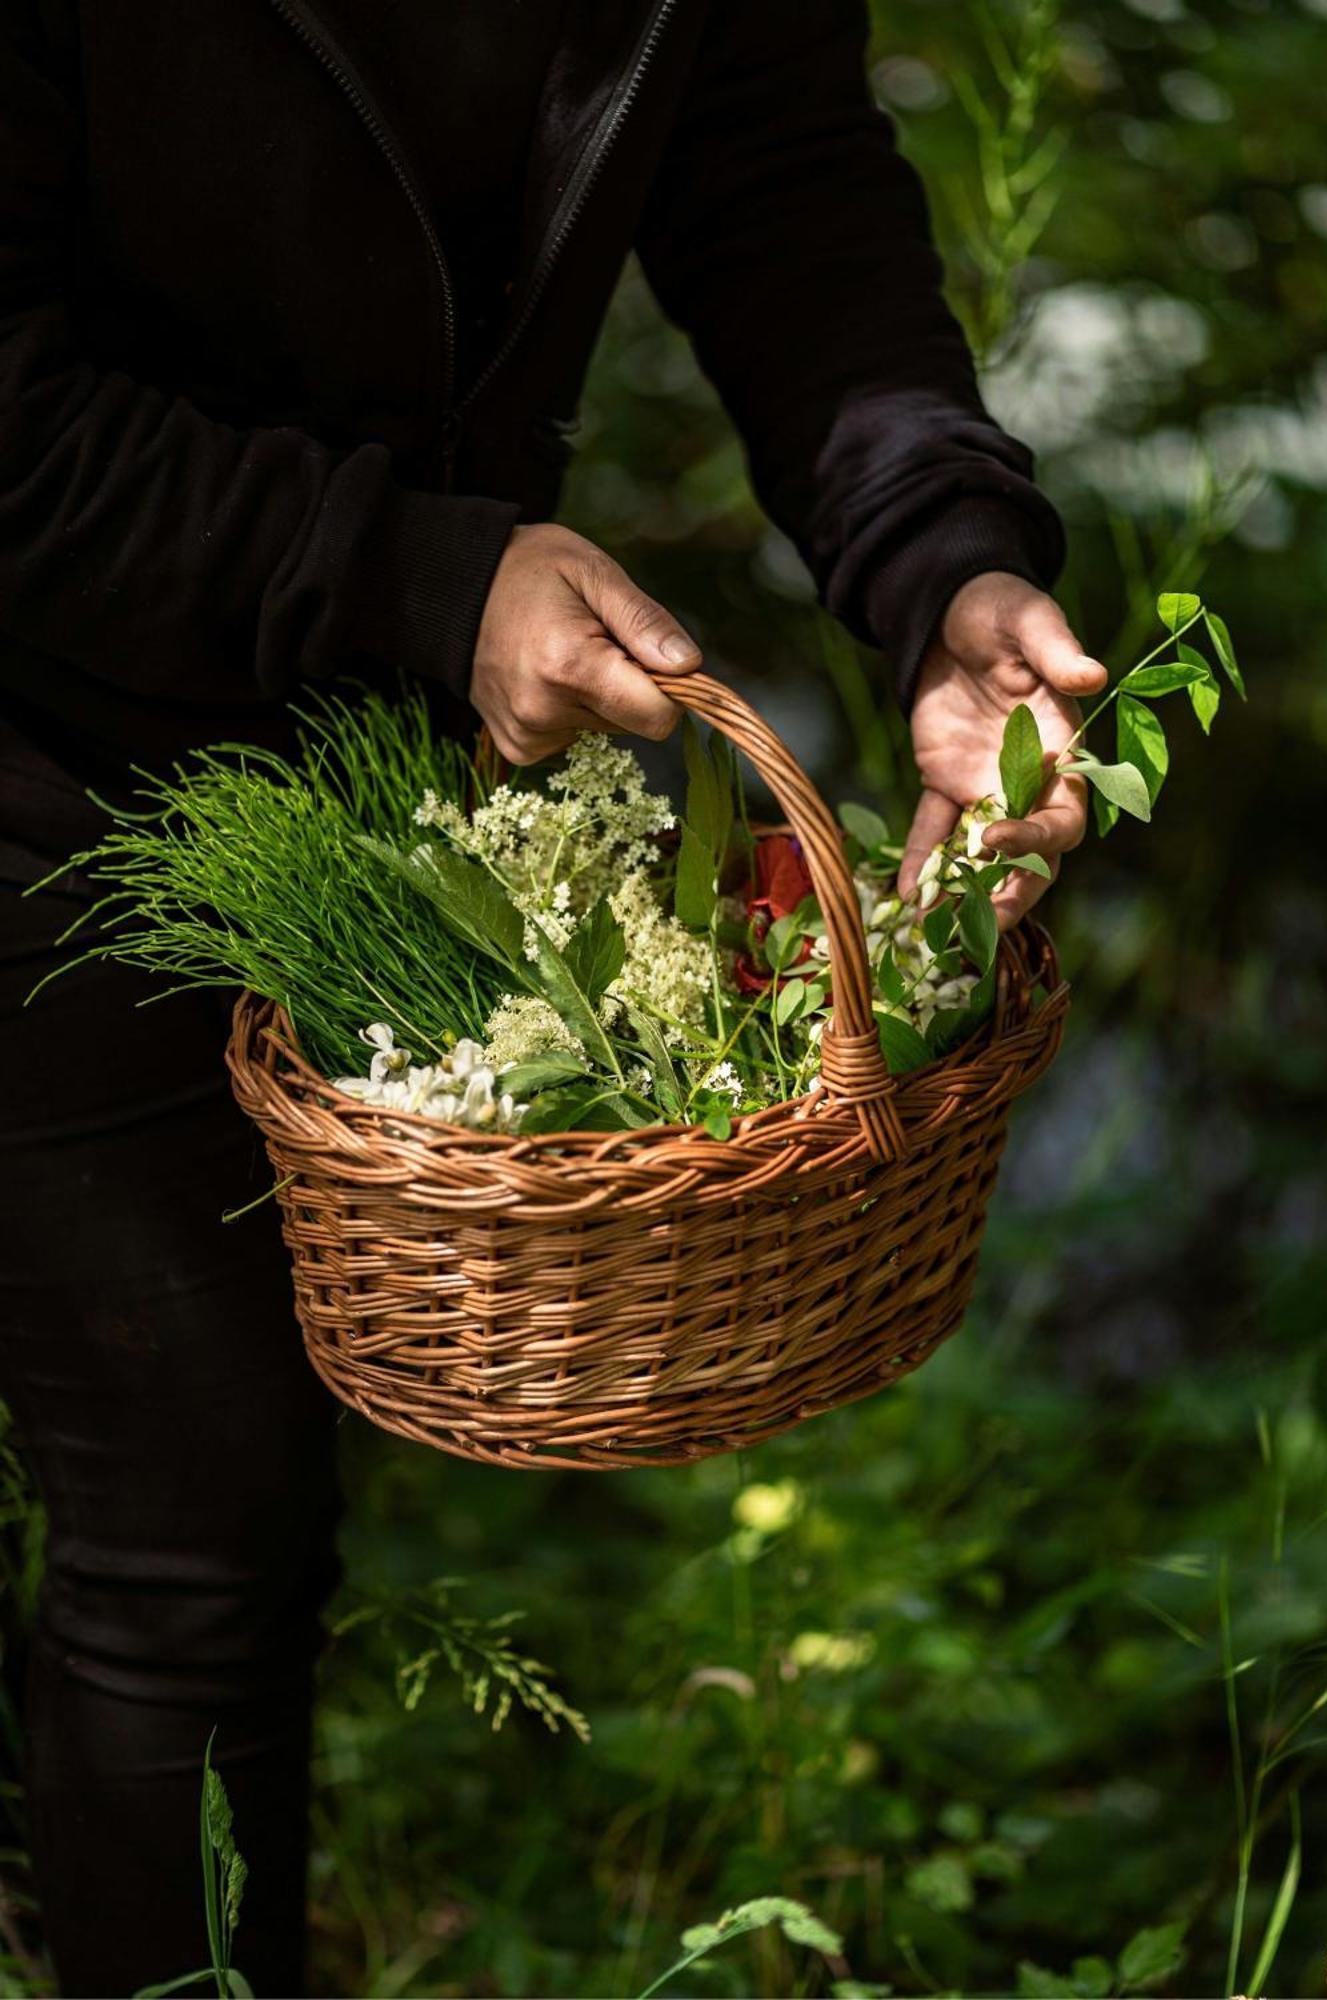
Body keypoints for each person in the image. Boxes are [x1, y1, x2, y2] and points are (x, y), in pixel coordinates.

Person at [0, 0, 1107, 1991]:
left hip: (370, 746)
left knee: (229, 1544)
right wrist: (427, 577)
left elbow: (776, 187)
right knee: (188, 1535)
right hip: (38, 723)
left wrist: (941, 563)